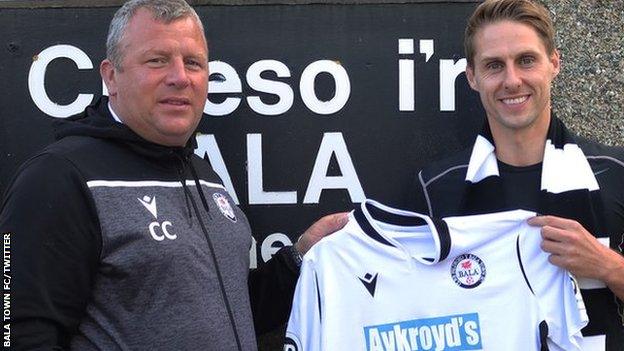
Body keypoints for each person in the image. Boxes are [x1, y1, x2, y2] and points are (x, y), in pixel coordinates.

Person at [0, 1, 347, 350]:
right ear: (111, 76)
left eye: (193, 63)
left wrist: (298, 259)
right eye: (157, 60)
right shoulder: (59, 178)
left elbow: (229, 316)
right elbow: (18, 334)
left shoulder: (204, 176)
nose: (180, 77)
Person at [408, 0, 624, 349]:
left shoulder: (615, 172)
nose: (512, 80)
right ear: (472, 77)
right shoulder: (437, 186)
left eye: (526, 60)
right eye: (494, 65)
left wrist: (608, 266)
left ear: (554, 63)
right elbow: (415, 312)